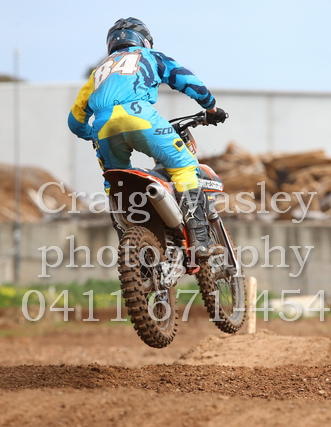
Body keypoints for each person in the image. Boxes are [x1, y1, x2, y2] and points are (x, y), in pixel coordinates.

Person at [68, 17, 227, 258]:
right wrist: (211, 107)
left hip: (103, 127)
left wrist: (92, 134)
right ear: (144, 40)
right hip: (140, 117)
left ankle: (129, 244)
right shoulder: (149, 56)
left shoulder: (98, 72)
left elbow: (75, 121)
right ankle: (200, 241)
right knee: (184, 166)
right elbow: (186, 79)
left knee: (116, 182)